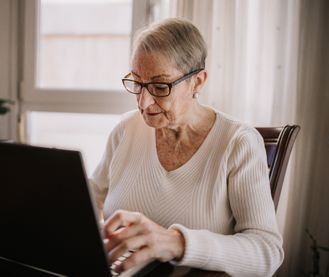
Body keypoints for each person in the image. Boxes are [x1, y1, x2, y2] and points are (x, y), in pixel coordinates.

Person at [90, 18, 284, 276]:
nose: (144, 103)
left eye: (160, 86)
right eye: (137, 83)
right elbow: (89, 198)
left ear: (198, 81)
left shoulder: (238, 142)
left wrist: (176, 242)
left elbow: (267, 251)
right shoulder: (126, 130)